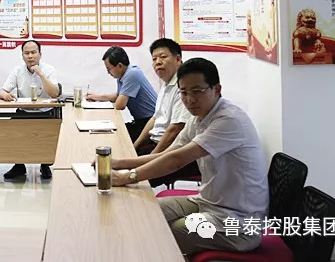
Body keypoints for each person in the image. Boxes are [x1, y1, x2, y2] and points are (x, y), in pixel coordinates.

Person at [108, 58, 268, 256]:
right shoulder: (199, 117)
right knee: (145, 211)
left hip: (238, 224)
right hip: (207, 202)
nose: (190, 99)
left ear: (217, 89)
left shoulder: (229, 120)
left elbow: (177, 160)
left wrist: (128, 176)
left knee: (162, 230)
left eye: (197, 91)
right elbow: (169, 153)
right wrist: (118, 163)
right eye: (183, 92)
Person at [132, 39, 199, 187]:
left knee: (132, 180)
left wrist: (152, 158)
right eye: (154, 59)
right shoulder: (166, 84)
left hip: (174, 152)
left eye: (163, 57)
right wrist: (134, 146)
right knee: (121, 157)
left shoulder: (183, 86)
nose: (158, 62)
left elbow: (175, 130)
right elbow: (155, 118)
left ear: (178, 60)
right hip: (157, 144)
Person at [0, 40, 60, 181]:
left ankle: (45, 164)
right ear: (22, 56)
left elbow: (54, 94)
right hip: (24, 112)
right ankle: (19, 165)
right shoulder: (17, 70)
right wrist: (5, 95)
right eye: (26, 53)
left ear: (40, 54)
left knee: (49, 133)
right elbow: (2, 91)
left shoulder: (49, 70)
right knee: (9, 130)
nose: (30, 56)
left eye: (33, 52)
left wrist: (41, 74)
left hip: (45, 112)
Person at [87, 46, 157, 141]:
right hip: (142, 121)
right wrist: (96, 97)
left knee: (116, 137)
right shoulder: (122, 75)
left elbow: (120, 105)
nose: (108, 73)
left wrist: (100, 105)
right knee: (114, 133)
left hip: (151, 122)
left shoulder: (132, 74)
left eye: (109, 69)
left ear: (119, 66)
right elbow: (118, 96)